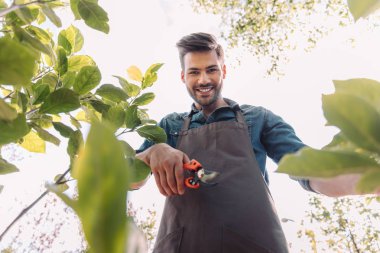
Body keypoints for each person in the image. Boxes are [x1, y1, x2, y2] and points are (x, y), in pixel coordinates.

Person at [135, 32, 373, 253]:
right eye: (194, 72)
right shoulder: (169, 126)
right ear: (182, 76)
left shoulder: (258, 119)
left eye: (211, 69)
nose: (204, 79)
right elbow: (128, 179)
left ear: (224, 71)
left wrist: (371, 179)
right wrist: (152, 152)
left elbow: (310, 169)